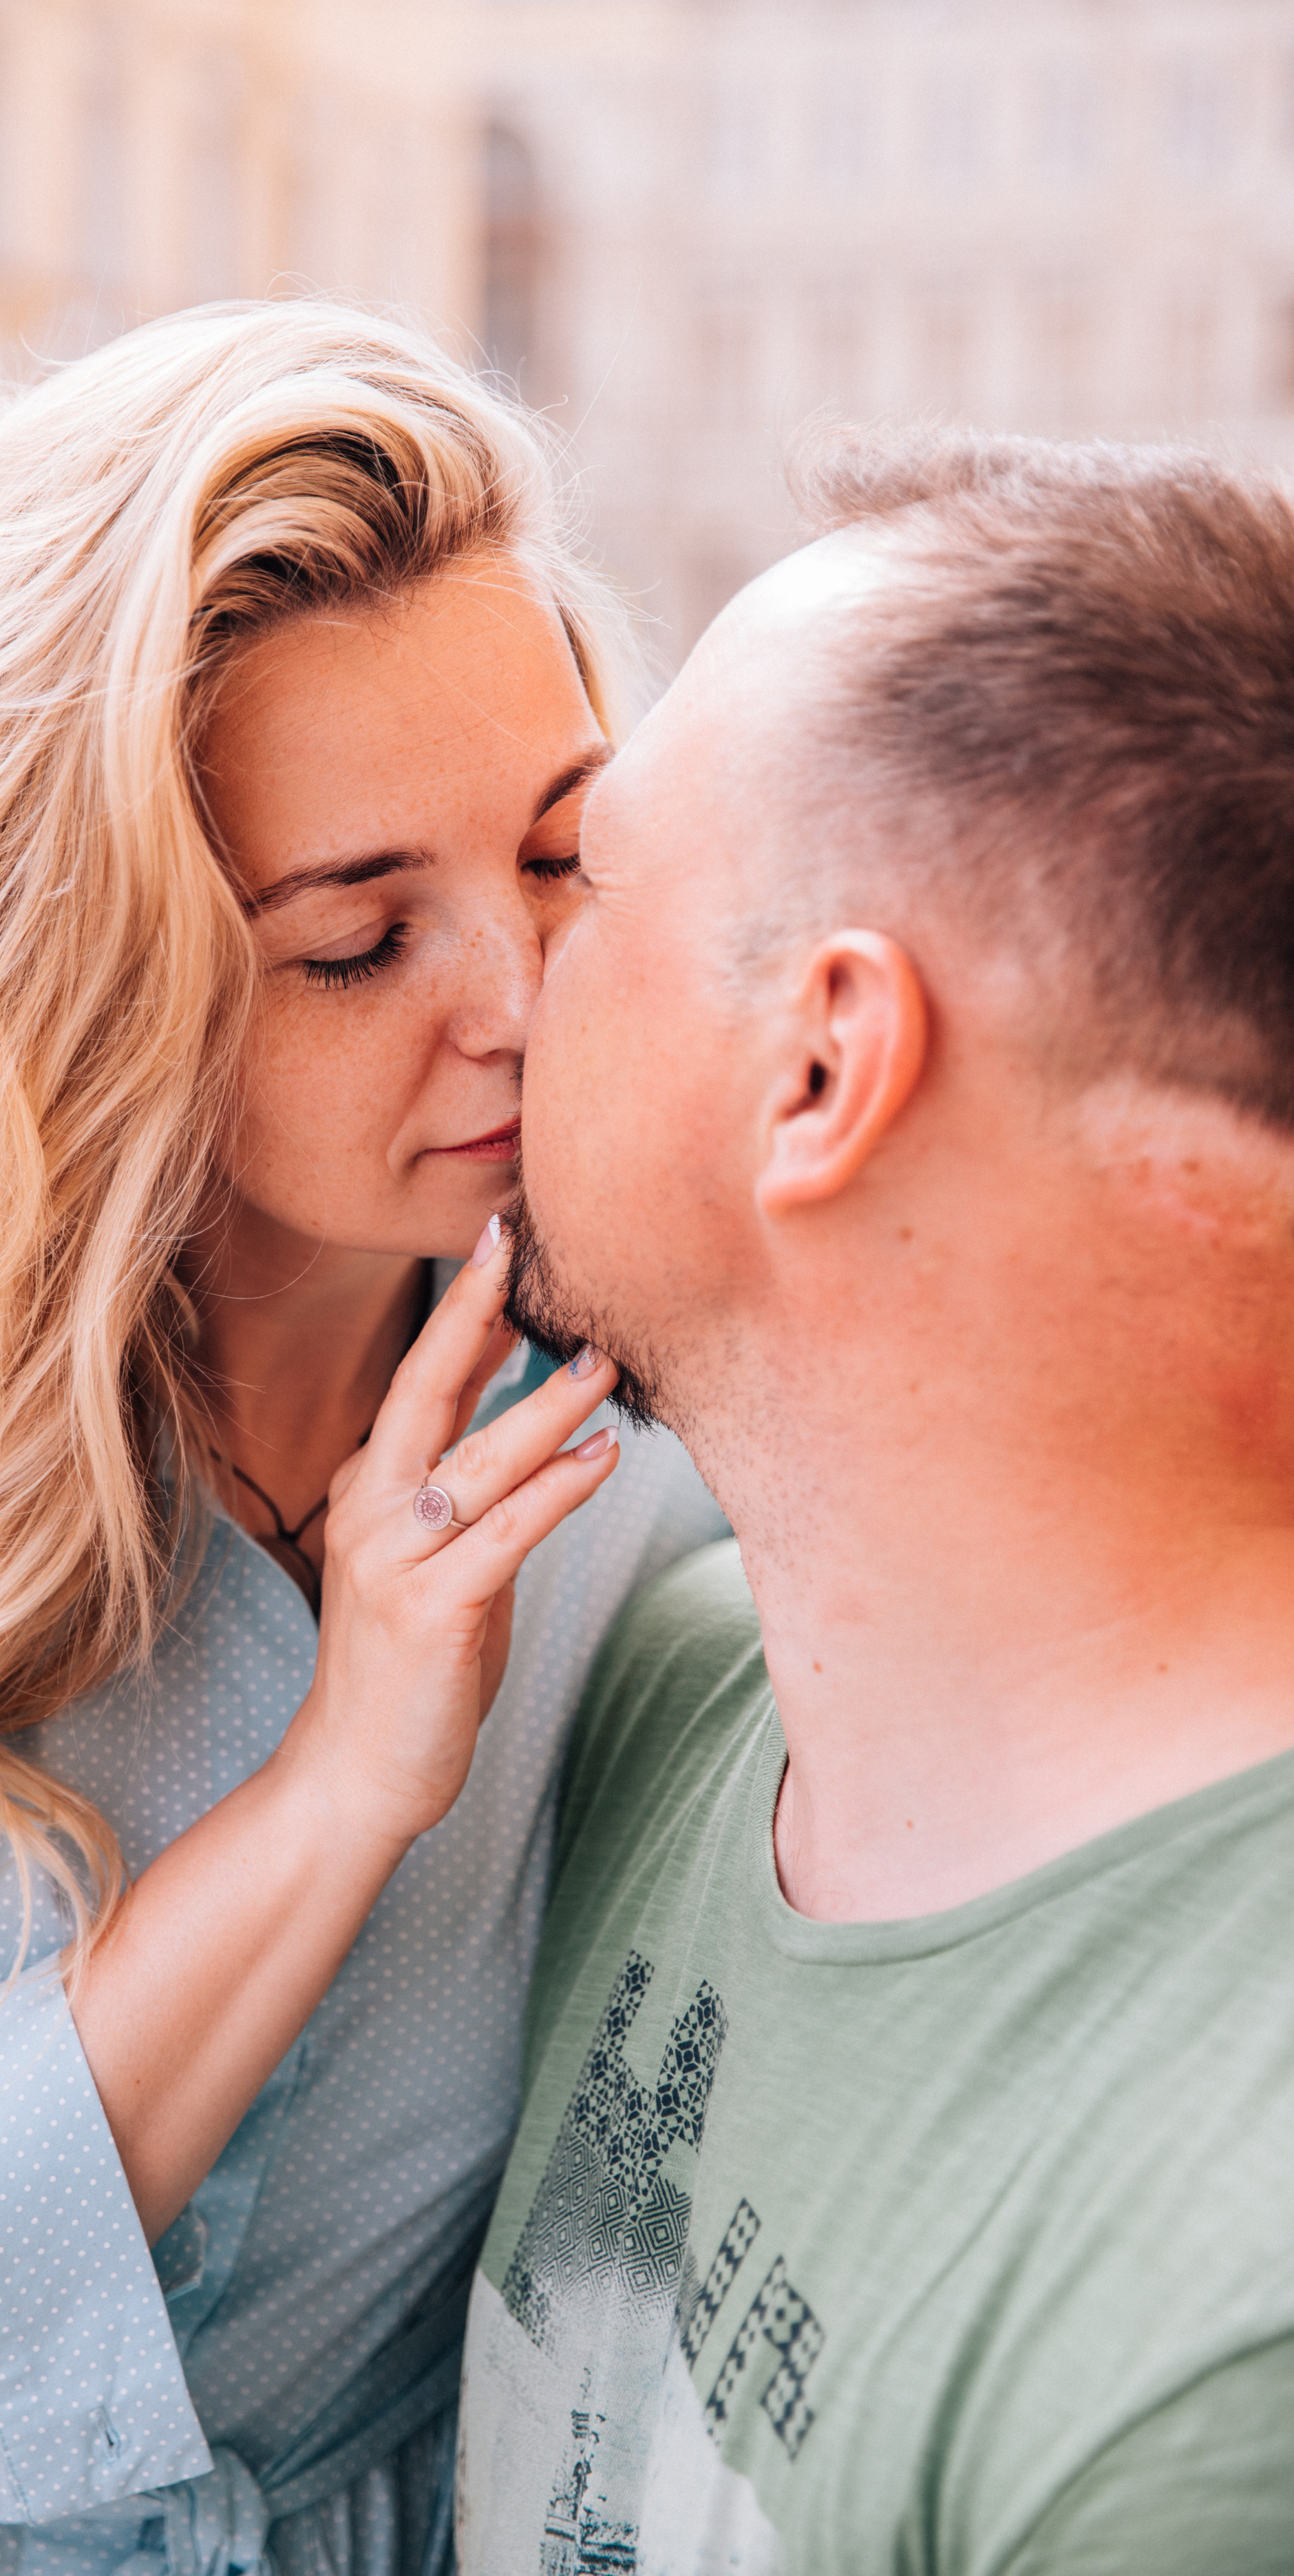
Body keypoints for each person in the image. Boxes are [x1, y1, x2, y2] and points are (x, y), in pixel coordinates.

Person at [0, 302, 725, 2576]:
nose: (521, 1000)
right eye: (362, 941)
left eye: (566, 859)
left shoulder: (666, 1389)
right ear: (88, 974)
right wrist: (344, 1784)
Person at [459, 432, 1294, 2573]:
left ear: (822, 1068)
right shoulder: (631, 1698)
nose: (506, 984)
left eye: (582, 871)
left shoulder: (1222, 2346)